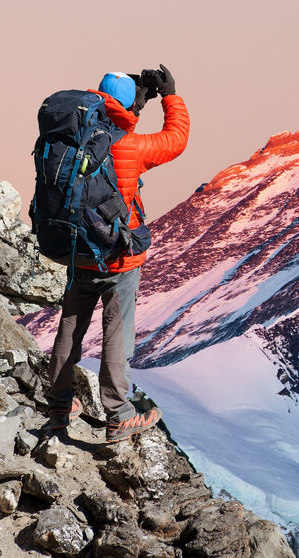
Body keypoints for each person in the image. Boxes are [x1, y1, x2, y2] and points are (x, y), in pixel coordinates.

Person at [45, 65, 189, 442]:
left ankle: (59, 406)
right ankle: (119, 414)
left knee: (70, 327)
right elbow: (175, 140)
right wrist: (171, 96)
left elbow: (110, 130)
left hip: (77, 251)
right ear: (127, 106)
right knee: (117, 335)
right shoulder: (131, 146)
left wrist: (134, 106)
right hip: (116, 258)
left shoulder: (71, 138)